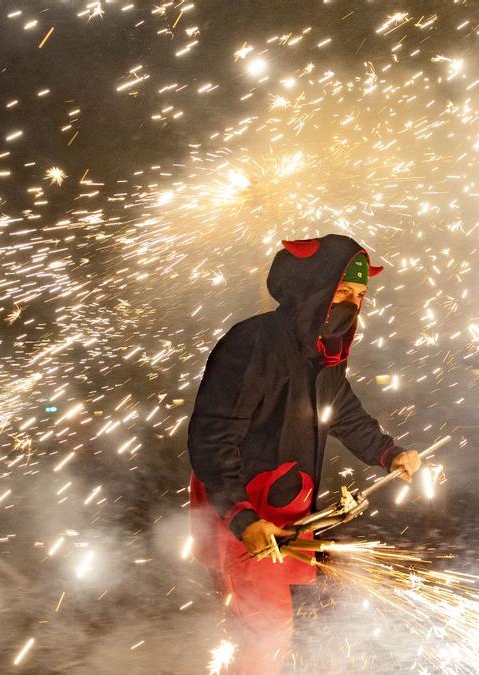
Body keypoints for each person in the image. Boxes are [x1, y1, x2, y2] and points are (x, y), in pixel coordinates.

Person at [187, 234, 421, 674]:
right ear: (313, 288)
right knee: (268, 630)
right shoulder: (254, 342)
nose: (353, 305)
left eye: (359, 296)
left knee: (255, 625)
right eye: (342, 293)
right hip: (241, 505)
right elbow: (213, 435)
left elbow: (341, 410)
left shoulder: (324, 351)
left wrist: (388, 453)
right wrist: (241, 516)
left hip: (284, 505)